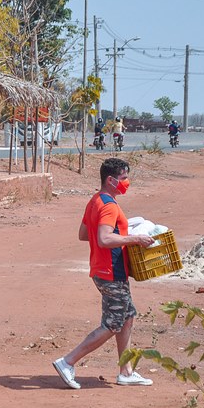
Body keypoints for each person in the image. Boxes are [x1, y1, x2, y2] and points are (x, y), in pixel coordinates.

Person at [52, 158, 156, 389]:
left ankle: (126, 371)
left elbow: (83, 234)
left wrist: (119, 234)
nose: (126, 183)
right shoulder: (108, 205)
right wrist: (135, 238)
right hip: (111, 270)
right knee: (113, 323)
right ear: (111, 180)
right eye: (123, 178)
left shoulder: (95, 201)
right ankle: (68, 361)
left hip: (103, 269)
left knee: (127, 316)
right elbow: (104, 238)